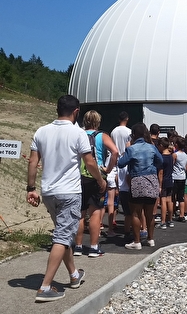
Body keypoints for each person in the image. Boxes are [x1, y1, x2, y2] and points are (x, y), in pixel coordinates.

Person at [26, 95, 106, 302]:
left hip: (49, 192)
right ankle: (45, 286)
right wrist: (100, 181)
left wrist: (31, 188)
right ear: (76, 111)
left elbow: (33, 162)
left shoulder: (41, 131)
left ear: (57, 109)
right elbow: (89, 163)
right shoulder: (77, 133)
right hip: (69, 192)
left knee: (65, 233)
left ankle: (74, 275)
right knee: (62, 237)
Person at [74, 110, 119, 258]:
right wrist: (109, 169)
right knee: (95, 212)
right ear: (98, 121)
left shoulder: (78, 134)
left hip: (78, 176)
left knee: (80, 213)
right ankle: (93, 247)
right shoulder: (102, 136)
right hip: (97, 176)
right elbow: (115, 152)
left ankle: (78, 246)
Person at [118, 122, 163, 250]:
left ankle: (137, 241)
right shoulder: (152, 147)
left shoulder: (131, 149)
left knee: (136, 213)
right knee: (150, 213)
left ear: (133, 135)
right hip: (152, 180)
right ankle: (150, 239)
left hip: (137, 181)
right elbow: (160, 161)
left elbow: (121, 163)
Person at [110, 112, 132, 242]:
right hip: (125, 159)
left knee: (114, 194)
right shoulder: (128, 131)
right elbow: (129, 147)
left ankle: (112, 221)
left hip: (115, 160)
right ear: (127, 119)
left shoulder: (113, 131)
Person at [157, 137, 175, 229]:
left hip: (163, 181)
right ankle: (170, 220)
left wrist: (159, 185)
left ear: (161, 146)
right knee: (169, 200)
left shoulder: (161, 158)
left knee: (163, 201)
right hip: (170, 180)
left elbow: (160, 173)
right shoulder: (171, 156)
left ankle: (163, 221)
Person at [172, 136, 187, 222]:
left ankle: (173, 211)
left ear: (176, 145)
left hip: (175, 176)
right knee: (181, 197)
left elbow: (172, 165)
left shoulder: (175, 155)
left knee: (172, 196)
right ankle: (182, 215)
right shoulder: (185, 155)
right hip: (182, 176)